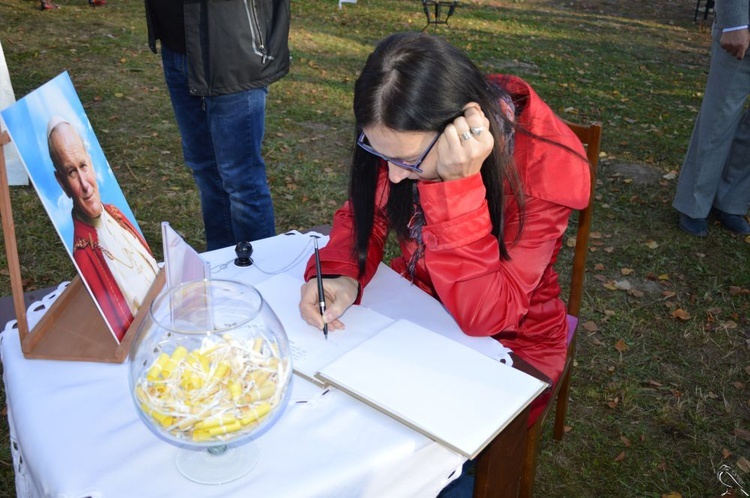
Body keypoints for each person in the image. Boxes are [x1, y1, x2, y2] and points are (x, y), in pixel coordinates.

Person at [299, 32, 590, 431]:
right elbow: (367, 213)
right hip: (418, 310)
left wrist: (457, 189)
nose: (396, 174)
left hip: (514, 344)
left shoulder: (544, 172)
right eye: (383, 155)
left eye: (408, 160)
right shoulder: (411, 123)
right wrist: (340, 273)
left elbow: (488, 315)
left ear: (463, 130)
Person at [144, 0, 291, 250]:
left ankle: (261, 274)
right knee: (204, 168)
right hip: (176, 46)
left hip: (233, 49)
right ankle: (222, 263)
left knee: (240, 179)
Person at [47, 118, 159, 341]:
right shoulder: (84, 253)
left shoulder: (115, 213)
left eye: (83, 166)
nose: (86, 185)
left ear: (91, 162)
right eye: (71, 172)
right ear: (61, 183)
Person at [673, 0, 750, 237]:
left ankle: (731, 202)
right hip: (742, 28)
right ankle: (694, 203)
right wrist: (733, 22)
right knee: (719, 118)